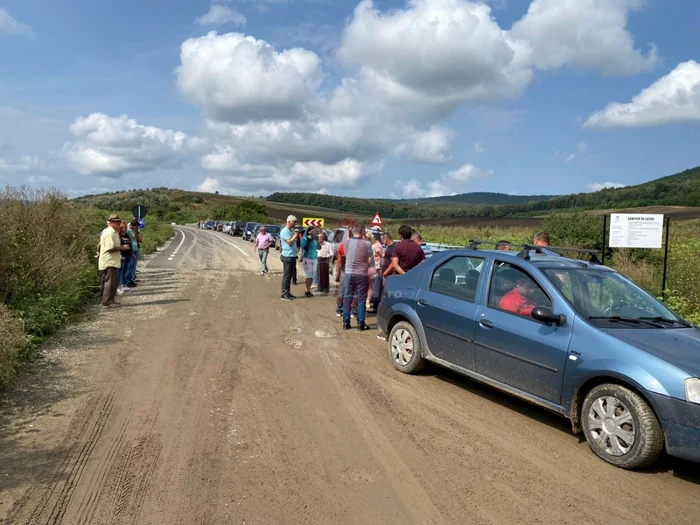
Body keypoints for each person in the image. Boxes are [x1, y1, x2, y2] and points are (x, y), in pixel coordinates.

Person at [342, 225, 373, 331]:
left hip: (349, 273)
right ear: (362, 232)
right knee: (361, 299)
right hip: (361, 274)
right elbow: (369, 255)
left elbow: (347, 255)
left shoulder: (346, 243)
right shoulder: (367, 243)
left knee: (347, 298)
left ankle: (346, 322)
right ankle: (360, 323)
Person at [99, 215, 128, 308]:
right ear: (112, 222)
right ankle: (106, 301)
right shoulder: (109, 233)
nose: (119, 224)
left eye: (119, 222)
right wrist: (122, 248)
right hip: (109, 261)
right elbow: (109, 248)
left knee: (113, 282)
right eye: (117, 222)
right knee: (109, 282)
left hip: (113, 261)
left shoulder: (114, 232)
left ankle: (110, 300)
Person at [280, 215, 300, 300]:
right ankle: (284, 293)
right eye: (294, 222)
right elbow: (289, 242)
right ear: (289, 222)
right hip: (287, 256)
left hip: (292, 255)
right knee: (287, 276)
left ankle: (287, 292)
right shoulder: (285, 231)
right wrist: (295, 235)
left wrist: (296, 236)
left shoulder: (289, 231)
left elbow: (294, 241)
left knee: (290, 275)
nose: (295, 224)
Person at [366, 231, 383, 312]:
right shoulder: (375, 245)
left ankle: (375, 306)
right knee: (373, 286)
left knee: (374, 287)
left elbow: (381, 256)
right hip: (375, 268)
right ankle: (371, 302)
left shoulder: (374, 246)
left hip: (376, 268)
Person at [301, 228, 319, 297]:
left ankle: (307, 290)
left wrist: (319, 240)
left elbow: (319, 247)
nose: (313, 232)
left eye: (314, 231)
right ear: (309, 232)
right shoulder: (305, 238)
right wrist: (308, 239)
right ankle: (307, 291)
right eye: (312, 231)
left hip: (314, 258)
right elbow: (304, 248)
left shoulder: (315, 239)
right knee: (309, 276)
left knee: (312, 276)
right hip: (307, 259)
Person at [118, 221, 135, 294]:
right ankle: (122, 285)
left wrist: (131, 253)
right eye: (122, 228)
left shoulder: (127, 235)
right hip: (122, 255)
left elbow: (129, 245)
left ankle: (125, 283)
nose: (124, 229)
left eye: (125, 228)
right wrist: (119, 254)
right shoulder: (119, 236)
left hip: (128, 254)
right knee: (122, 270)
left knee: (128, 269)